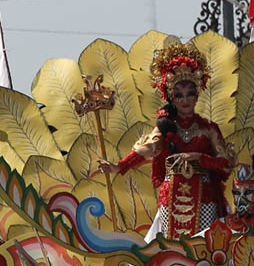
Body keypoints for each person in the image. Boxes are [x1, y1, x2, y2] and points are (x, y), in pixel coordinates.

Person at [99, 41, 233, 241]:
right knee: (170, 246)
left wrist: (199, 158)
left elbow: (226, 165)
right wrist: (119, 167)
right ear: (171, 97)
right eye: (179, 95)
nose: (185, 100)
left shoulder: (209, 129)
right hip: (172, 197)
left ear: (197, 95)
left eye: (190, 94)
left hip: (204, 195)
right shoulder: (165, 127)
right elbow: (147, 149)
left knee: (202, 244)